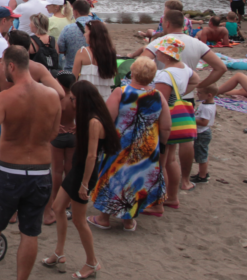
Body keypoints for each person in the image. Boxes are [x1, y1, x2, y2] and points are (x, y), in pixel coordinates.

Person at [0, 46, 60, 280]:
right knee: (30, 232)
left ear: (11, 66)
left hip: (10, 172)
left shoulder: (6, 97)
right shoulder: (53, 96)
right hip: (41, 173)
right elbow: (53, 134)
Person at [42, 80, 119, 280]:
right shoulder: (89, 118)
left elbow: (92, 156)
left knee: (78, 220)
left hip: (83, 172)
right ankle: (59, 252)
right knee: (58, 208)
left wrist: (85, 184)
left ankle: (92, 262)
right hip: (78, 169)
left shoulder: (94, 122)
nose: (71, 101)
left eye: (73, 99)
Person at [89, 57, 169, 227]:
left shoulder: (121, 92)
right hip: (147, 146)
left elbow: (108, 120)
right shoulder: (158, 96)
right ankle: (129, 220)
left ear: (132, 73)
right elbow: (166, 126)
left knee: (114, 176)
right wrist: (161, 145)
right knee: (136, 180)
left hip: (121, 144)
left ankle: (104, 218)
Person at [147, 36, 199, 213]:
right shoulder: (184, 68)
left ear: (166, 55)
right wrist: (181, 94)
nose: (157, 53)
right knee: (171, 159)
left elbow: (159, 103)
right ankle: (172, 197)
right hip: (179, 119)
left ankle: (159, 202)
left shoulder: (165, 74)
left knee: (160, 163)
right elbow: (196, 80)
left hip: (166, 121)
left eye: (159, 51)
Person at [0, 31, 66, 128]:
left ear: (12, 46)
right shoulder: (38, 68)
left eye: (7, 43)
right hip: (30, 118)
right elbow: (60, 93)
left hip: (5, 118)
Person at [133, 10, 226, 92]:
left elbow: (139, 65)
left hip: (163, 92)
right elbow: (221, 68)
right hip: (187, 95)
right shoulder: (198, 43)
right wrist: (200, 85)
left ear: (167, 24)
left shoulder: (160, 42)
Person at [44, 72, 76, 226]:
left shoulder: (58, 98)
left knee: (56, 170)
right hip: (72, 134)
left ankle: (56, 198)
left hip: (58, 136)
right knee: (69, 168)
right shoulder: (75, 99)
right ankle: (68, 199)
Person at [71, 20, 117, 100]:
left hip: (86, 97)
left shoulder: (83, 52)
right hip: (105, 98)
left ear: (92, 34)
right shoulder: (111, 52)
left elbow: (73, 78)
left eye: (86, 32)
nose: (84, 35)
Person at [57, 0, 95, 71]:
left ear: (75, 12)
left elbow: (60, 49)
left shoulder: (68, 29)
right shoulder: (98, 27)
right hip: (92, 69)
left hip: (71, 69)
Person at [191, 83, 217, 183]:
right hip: (203, 132)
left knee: (201, 155)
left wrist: (191, 118)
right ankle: (203, 173)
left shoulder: (207, 108)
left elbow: (204, 122)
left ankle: (202, 176)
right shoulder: (207, 103)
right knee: (203, 153)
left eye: (200, 93)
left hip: (202, 133)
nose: (198, 94)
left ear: (209, 95)